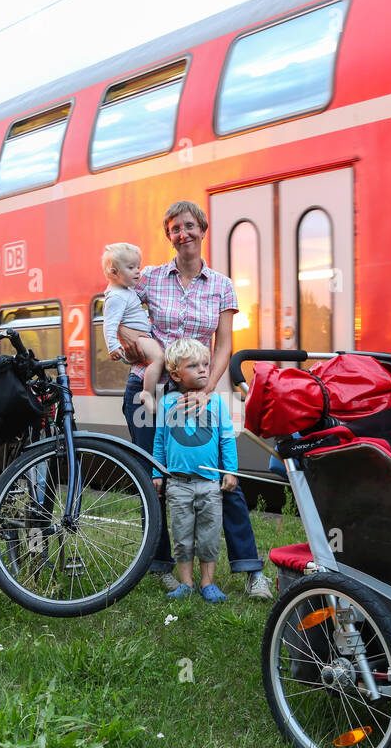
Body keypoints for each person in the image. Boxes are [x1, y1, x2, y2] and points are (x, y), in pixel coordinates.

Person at [118, 199, 274, 600]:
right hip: (149, 391)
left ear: (202, 229)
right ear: (168, 236)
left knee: (220, 475)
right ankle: (163, 567)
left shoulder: (221, 285)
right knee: (153, 477)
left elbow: (224, 345)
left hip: (195, 393)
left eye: (188, 226)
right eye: (174, 229)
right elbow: (116, 306)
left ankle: (251, 569)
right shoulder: (150, 278)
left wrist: (206, 391)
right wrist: (131, 343)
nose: (182, 234)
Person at [152, 338, 238, 603]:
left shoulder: (217, 403)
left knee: (209, 536)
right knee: (182, 536)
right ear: (176, 374)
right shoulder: (167, 404)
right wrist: (157, 473)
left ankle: (207, 583)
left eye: (205, 364)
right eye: (194, 366)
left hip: (210, 483)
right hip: (178, 484)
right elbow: (160, 438)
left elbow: (226, 438)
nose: (203, 369)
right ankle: (186, 583)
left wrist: (230, 471)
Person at [100, 242, 165, 415]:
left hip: (143, 337)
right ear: (114, 272)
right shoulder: (116, 297)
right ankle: (147, 393)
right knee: (159, 358)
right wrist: (113, 346)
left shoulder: (125, 290)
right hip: (139, 340)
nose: (138, 271)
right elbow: (110, 323)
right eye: (131, 267)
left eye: (138, 266)